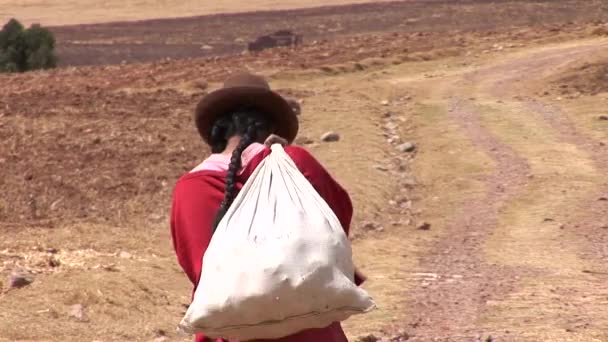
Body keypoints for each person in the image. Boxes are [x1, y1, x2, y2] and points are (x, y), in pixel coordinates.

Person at [170, 73, 364, 342]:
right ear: (273, 127)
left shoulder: (191, 188)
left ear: (218, 130)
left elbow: (200, 270)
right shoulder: (298, 164)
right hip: (311, 332)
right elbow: (334, 231)